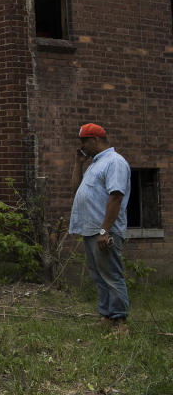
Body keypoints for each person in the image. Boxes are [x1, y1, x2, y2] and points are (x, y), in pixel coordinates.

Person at [69, 122, 131, 336]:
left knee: (112, 275)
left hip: (104, 231)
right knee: (99, 275)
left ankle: (120, 323)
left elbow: (116, 196)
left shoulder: (114, 162)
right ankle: (107, 316)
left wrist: (105, 230)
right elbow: (75, 188)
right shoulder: (95, 164)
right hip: (90, 229)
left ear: (95, 139)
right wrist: (78, 163)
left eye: (83, 141)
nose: (81, 146)